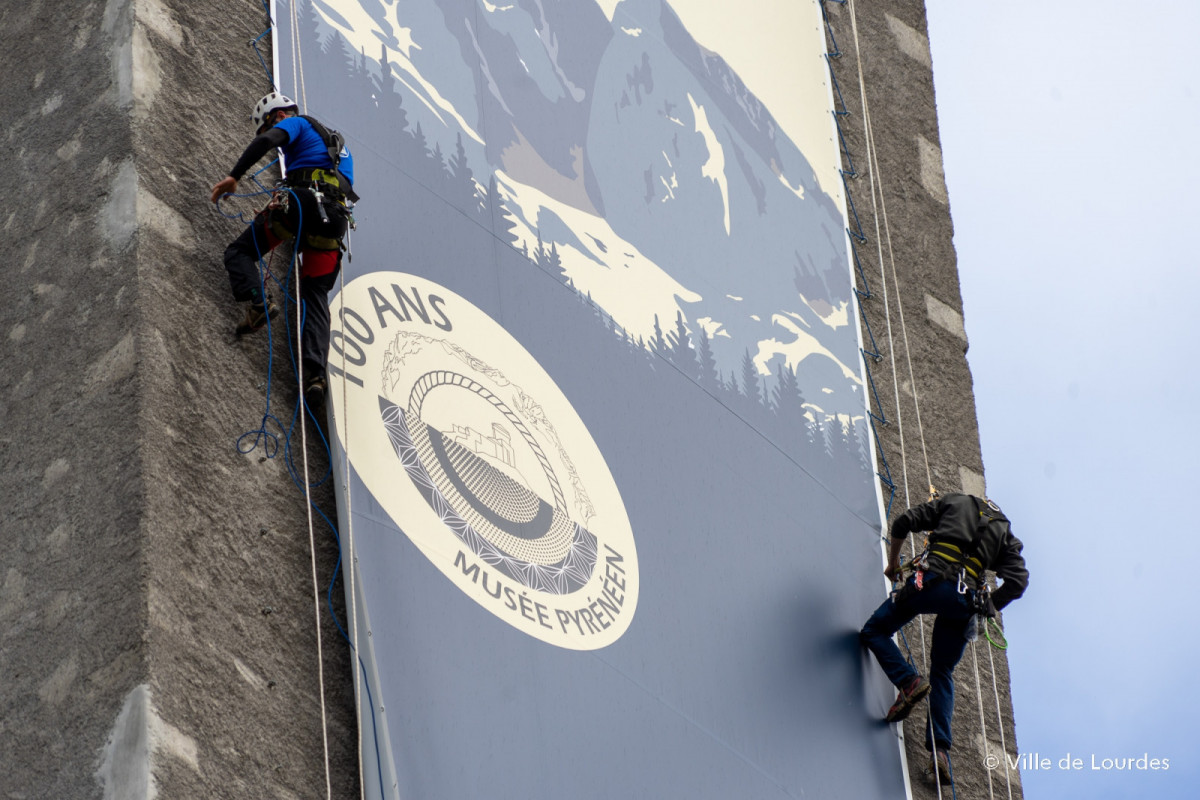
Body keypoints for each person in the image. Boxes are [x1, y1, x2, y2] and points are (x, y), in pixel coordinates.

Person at [860, 493, 1028, 783]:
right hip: (966, 602)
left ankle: (908, 681)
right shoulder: (1003, 529)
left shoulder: (955, 503)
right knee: (942, 671)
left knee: (875, 630)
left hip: (931, 582)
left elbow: (903, 522)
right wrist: (988, 607)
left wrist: (892, 564)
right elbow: (1018, 580)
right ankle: (939, 753)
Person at [209, 91, 358, 405]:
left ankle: (259, 303)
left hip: (301, 206)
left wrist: (234, 176)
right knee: (315, 295)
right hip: (334, 222)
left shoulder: (296, 123)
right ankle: (316, 376)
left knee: (240, 252)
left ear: (276, 116)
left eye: (268, 125)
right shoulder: (340, 149)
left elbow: (269, 141)